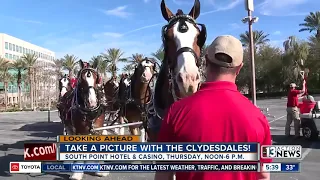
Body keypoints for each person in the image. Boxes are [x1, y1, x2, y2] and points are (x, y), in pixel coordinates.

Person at [155, 35, 271, 180]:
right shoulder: (258, 117)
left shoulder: (176, 112)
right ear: (240, 67)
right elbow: (263, 175)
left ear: (205, 61)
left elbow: (163, 174)